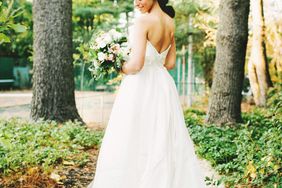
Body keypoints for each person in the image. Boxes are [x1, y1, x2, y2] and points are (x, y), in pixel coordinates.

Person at [87, 0, 207, 187]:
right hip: (163, 86)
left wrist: (117, 66)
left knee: (132, 136)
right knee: (160, 136)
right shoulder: (170, 21)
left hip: (140, 86)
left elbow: (136, 65)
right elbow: (170, 64)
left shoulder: (143, 22)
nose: (137, 2)